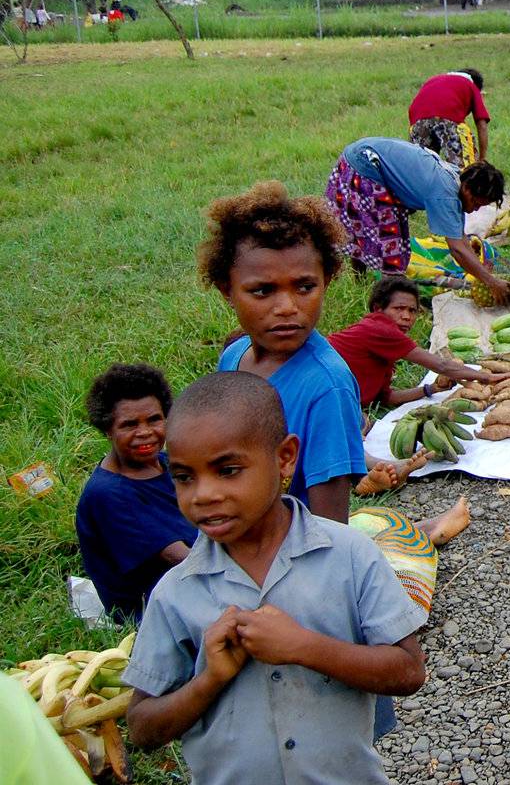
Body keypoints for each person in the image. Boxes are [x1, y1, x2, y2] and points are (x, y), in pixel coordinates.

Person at [122, 372, 428, 782]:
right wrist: (209, 679)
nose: (203, 494)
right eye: (183, 477)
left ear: (285, 457)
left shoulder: (349, 555)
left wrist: (304, 647)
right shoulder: (177, 592)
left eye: (227, 470)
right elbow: (142, 728)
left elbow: (408, 671)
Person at [201, 183, 475, 540]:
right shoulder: (233, 357)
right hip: (243, 526)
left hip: (292, 544)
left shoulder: (326, 387)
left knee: (367, 555)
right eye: (263, 291)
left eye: (304, 287)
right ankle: (414, 528)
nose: (286, 307)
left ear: (326, 281)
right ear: (227, 291)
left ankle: (417, 534)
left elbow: (329, 528)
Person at [76, 364, 197, 622]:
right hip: (155, 608)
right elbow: (179, 558)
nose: (145, 433)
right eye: (129, 425)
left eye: (154, 419)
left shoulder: (165, 463)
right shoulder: (108, 494)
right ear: (108, 429)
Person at [325, 138, 510, 300]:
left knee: (364, 231)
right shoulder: (445, 193)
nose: (474, 210)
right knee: (392, 252)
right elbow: (457, 249)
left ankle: (362, 285)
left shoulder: (457, 177)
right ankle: (390, 303)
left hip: (358, 155)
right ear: (468, 189)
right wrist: (491, 282)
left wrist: (484, 273)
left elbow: (461, 239)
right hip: (366, 170)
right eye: (475, 203)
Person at [329, 277, 510, 410]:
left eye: (412, 310)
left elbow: (387, 397)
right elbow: (440, 364)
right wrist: (487, 377)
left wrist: (430, 389)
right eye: (399, 309)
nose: (407, 317)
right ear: (379, 309)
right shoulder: (380, 329)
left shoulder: (385, 349)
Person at [407, 69, 491, 168]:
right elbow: (482, 124)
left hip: (418, 124)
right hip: (448, 121)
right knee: (465, 170)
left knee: (421, 168)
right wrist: (482, 159)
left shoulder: (432, 80)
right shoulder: (470, 84)